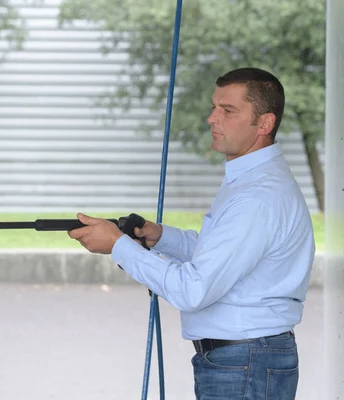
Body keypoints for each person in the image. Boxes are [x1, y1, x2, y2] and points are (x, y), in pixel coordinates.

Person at [68, 67, 315, 399]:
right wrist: (161, 237)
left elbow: (194, 289)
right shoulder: (253, 180)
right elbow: (225, 254)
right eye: (214, 107)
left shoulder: (257, 196)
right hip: (244, 358)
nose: (212, 118)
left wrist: (120, 245)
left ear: (265, 124)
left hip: (245, 361)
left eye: (227, 110)